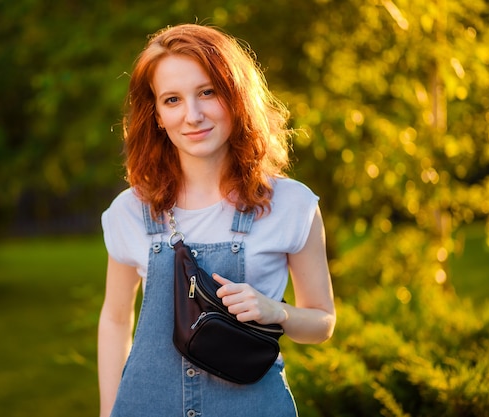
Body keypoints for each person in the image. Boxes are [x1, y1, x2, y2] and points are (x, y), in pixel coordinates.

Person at [97, 23, 335, 417]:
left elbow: (323, 323)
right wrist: (108, 411)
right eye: (172, 100)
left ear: (236, 96)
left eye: (207, 92)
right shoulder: (129, 211)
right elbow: (115, 319)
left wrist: (278, 312)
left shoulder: (292, 205)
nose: (193, 115)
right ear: (155, 114)